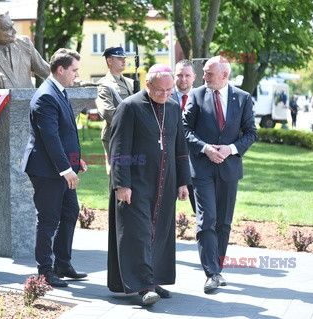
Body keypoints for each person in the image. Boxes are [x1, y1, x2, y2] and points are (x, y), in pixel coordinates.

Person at [107, 64, 191, 305]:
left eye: (169, 91)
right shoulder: (130, 107)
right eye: (159, 91)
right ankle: (143, 286)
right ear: (148, 85)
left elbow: (180, 148)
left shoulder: (174, 108)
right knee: (139, 234)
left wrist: (184, 182)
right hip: (136, 183)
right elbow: (119, 149)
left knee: (161, 234)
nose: (164, 96)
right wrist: (122, 184)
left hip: (165, 182)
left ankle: (154, 279)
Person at [183, 56, 257, 293]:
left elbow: (251, 132)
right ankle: (211, 273)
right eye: (204, 72)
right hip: (202, 169)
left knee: (223, 222)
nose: (204, 77)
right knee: (207, 220)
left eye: (209, 73)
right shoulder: (196, 95)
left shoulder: (243, 98)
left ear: (224, 75)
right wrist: (205, 148)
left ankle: (218, 268)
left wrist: (231, 149)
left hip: (229, 169)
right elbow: (184, 130)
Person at [22, 48, 88, 287]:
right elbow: (50, 137)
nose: (76, 75)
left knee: (70, 212)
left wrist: (75, 159)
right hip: (46, 170)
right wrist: (65, 168)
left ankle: (62, 263)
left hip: (62, 167)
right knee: (49, 219)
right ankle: (44, 270)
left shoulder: (60, 91)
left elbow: (66, 133)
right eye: (74, 70)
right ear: (60, 70)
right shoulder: (45, 96)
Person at [0, 12, 50, 91]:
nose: (14, 31)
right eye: (7, 28)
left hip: (28, 100)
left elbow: (45, 69)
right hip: (1, 102)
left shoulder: (25, 43)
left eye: (12, 26)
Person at [95, 45, 134, 174]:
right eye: (119, 58)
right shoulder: (104, 84)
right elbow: (107, 112)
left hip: (134, 133)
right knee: (117, 173)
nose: (124, 60)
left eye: (124, 58)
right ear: (109, 61)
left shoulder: (131, 82)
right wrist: (130, 123)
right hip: (115, 134)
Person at [171, 59, 197, 212]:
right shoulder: (164, 96)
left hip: (195, 162)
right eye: (179, 75)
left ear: (194, 77)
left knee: (201, 211)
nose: (183, 79)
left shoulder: (203, 98)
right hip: (170, 160)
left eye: (187, 75)